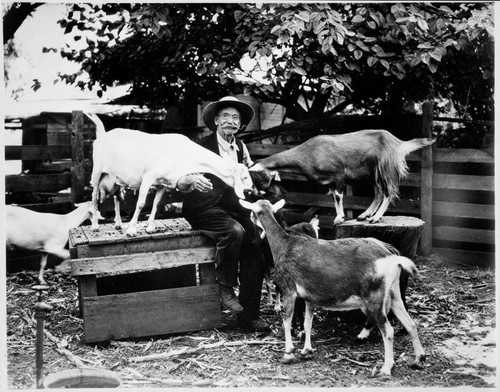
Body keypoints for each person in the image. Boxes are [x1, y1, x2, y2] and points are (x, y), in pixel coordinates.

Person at [176, 96, 269, 332]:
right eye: (226, 116)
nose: (231, 121)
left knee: (255, 245)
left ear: (241, 124)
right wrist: (187, 181)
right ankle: (225, 288)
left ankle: (248, 316)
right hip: (203, 208)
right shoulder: (199, 146)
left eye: (236, 117)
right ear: (216, 120)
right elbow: (178, 180)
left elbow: (248, 182)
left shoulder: (241, 149)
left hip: (233, 208)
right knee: (234, 231)